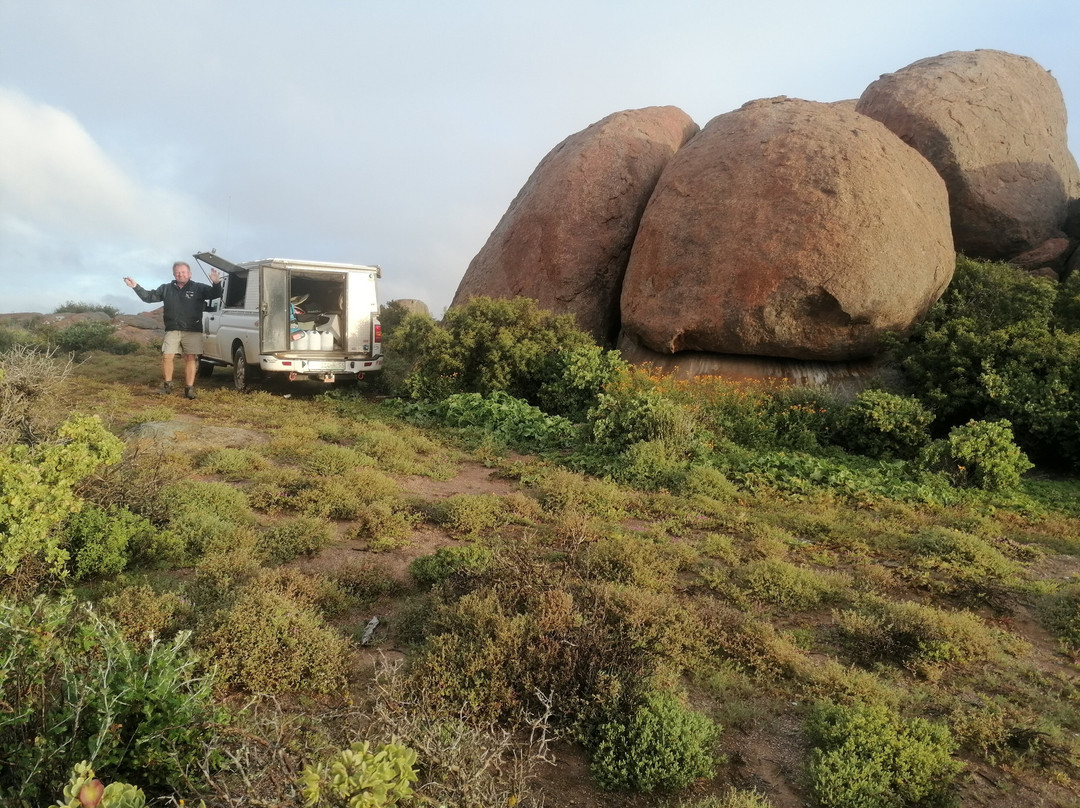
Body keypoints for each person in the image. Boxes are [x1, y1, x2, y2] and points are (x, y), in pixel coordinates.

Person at [124, 261, 222, 399]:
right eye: (177, 272)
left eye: (183, 272)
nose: (180, 274)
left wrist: (216, 283)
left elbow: (215, 294)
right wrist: (135, 286)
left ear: (190, 274)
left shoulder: (198, 288)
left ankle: (189, 390)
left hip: (192, 329)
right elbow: (149, 297)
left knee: (190, 358)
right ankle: (168, 387)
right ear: (174, 274)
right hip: (173, 329)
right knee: (167, 357)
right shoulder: (166, 288)